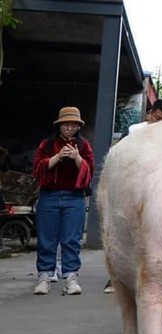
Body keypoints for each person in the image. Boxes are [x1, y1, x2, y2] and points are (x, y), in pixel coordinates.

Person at [104, 99, 162, 293]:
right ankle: (116, 278)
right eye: (157, 118)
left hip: (154, 192)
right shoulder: (134, 131)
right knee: (124, 232)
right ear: (149, 114)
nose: (159, 123)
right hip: (129, 189)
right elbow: (116, 155)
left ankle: (149, 278)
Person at [32, 106, 94, 295]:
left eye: (73, 125)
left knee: (71, 240)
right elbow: (38, 170)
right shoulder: (47, 145)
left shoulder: (83, 146)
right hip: (48, 196)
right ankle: (44, 276)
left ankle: (71, 277)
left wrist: (77, 158)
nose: (69, 128)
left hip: (74, 198)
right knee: (46, 239)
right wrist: (57, 157)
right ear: (59, 126)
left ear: (78, 126)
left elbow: (89, 173)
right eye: (66, 125)